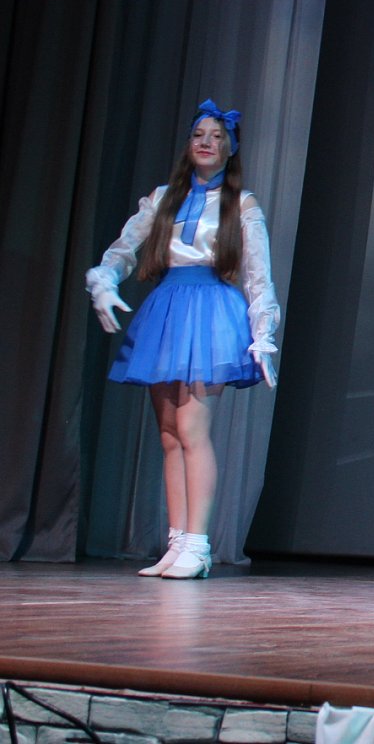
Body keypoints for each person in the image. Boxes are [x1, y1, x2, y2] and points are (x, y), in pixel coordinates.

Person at [85, 100, 279, 580]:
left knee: (193, 430)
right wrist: (104, 282)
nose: (206, 142)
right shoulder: (161, 199)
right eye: (199, 135)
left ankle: (199, 543)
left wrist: (263, 334)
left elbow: (258, 276)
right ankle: (177, 542)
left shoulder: (241, 204)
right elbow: (123, 249)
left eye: (216, 136)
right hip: (168, 308)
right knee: (169, 434)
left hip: (210, 311)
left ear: (229, 148)